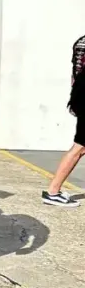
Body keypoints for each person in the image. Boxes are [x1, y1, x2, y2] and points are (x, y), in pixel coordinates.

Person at [43, 33, 85, 207]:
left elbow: (75, 74)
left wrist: (74, 98)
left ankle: (53, 191)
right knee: (80, 147)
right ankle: (53, 191)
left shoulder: (81, 41)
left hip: (81, 94)